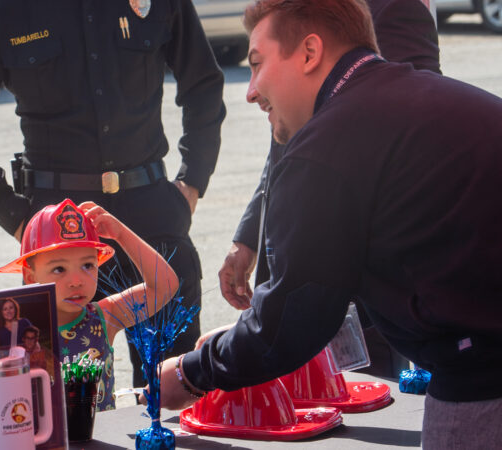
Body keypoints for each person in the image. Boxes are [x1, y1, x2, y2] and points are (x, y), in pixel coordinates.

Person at [158, 1, 502, 447]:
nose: (250, 89)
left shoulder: (327, 146)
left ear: (309, 52)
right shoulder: (406, 95)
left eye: (257, 64)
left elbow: (292, 324)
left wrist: (191, 373)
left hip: (483, 379)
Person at [0, 0, 226, 387]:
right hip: (60, 238)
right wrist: (16, 217)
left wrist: (192, 181)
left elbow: (203, 84)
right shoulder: (3, 8)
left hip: (152, 219)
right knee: (67, 401)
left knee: (173, 391)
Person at [219, 0, 441, 378]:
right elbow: (285, 139)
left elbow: (412, 116)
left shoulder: (391, 7)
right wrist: (249, 236)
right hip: (297, 247)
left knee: (366, 402)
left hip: (359, 261)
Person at [0, 198, 179, 410]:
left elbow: (164, 286)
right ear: (30, 276)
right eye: (59, 269)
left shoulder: (104, 317)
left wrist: (121, 234)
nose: (76, 281)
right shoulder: (17, 332)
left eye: (87, 265)